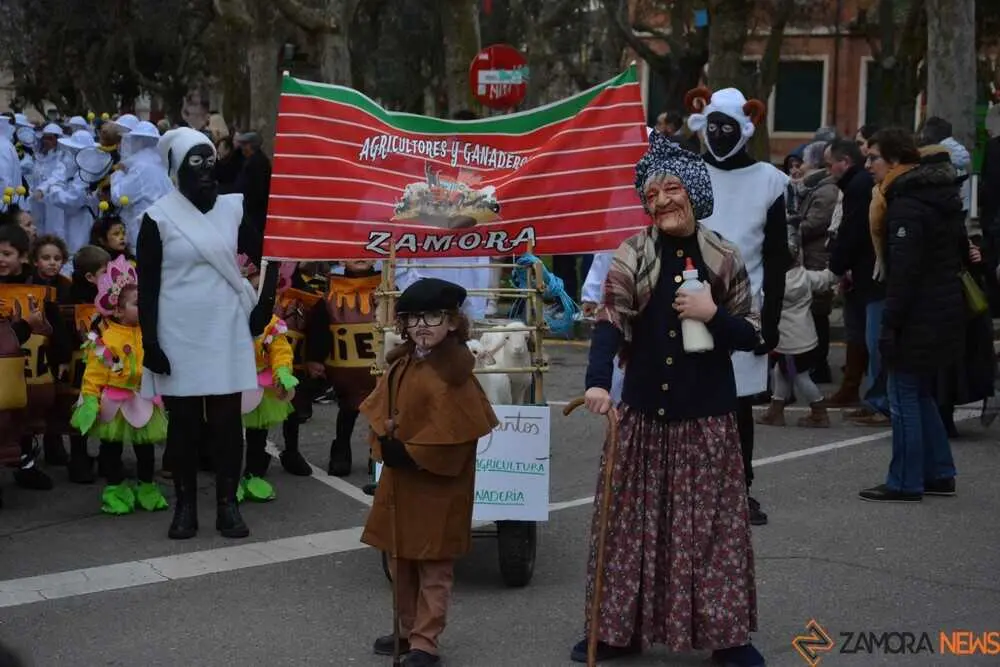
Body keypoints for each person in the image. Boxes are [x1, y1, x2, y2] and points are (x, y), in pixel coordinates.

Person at [576, 131, 763, 666]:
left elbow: (752, 334)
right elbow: (610, 320)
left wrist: (713, 316)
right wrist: (595, 381)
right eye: (651, 195)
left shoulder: (723, 255)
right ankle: (615, 632)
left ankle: (728, 638)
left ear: (695, 193)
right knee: (627, 530)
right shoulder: (633, 253)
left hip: (705, 417)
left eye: (672, 189)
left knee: (712, 533)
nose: (661, 202)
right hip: (643, 417)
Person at [137, 127, 274, 540]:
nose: (206, 172)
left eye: (211, 162)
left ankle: (227, 506)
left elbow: (270, 251)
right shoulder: (157, 217)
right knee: (183, 425)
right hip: (175, 329)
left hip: (225, 325)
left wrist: (263, 307)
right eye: (195, 164)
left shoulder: (234, 208)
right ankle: (185, 506)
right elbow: (148, 286)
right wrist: (150, 341)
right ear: (177, 171)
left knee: (227, 421)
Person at [361, 277, 498, 667]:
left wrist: (412, 453)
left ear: (452, 322)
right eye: (413, 318)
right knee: (399, 559)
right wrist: (384, 442)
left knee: (434, 566)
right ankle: (405, 629)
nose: (422, 326)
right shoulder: (402, 363)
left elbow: (459, 434)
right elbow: (379, 410)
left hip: (438, 486)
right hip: (401, 482)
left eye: (433, 316)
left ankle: (425, 641)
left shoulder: (455, 374)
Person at [685, 87, 791, 526]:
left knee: (738, 406)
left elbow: (778, 257)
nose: (720, 136)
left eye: (728, 129)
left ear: (745, 129)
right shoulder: (688, 173)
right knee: (688, 403)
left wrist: (770, 322)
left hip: (746, 308)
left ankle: (738, 489)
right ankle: (691, 491)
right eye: (714, 128)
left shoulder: (770, 180)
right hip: (688, 301)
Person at [858, 128, 965, 503]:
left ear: (895, 161)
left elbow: (904, 273)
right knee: (919, 394)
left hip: (919, 312)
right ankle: (939, 470)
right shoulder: (938, 196)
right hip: (942, 308)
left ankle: (905, 479)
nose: (868, 164)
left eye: (874, 158)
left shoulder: (905, 204)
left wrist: (892, 323)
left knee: (903, 395)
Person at [70, 255, 169, 514]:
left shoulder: (152, 332)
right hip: (115, 401)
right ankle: (114, 489)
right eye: (138, 303)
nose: (144, 306)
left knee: (145, 448)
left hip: (144, 398)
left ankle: (147, 486)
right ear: (117, 310)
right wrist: (90, 398)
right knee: (111, 448)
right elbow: (94, 372)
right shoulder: (107, 338)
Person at [306, 259, 381, 476]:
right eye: (353, 252)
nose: (360, 257)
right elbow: (319, 328)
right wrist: (315, 358)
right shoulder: (329, 292)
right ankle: (340, 450)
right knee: (347, 411)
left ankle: (377, 454)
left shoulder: (387, 290)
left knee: (380, 412)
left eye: (366, 251)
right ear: (341, 258)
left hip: (377, 369)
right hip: (344, 371)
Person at [756, 224, 837, 427]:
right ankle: (776, 410)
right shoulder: (805, 277)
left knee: (799, 378)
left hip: (788, 343)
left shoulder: (773, 285)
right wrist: (838, 267)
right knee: (782, 373)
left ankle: (819, 412)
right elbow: (826, 279)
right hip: (805, 339)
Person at [238, 257, 299, 502]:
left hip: (259, 386)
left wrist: (282, 372)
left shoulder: (272, 324)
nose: (255, 296)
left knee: (257, 435)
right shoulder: (228, 320)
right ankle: (229, 477)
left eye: (261, 291)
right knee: (226, 434)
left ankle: (253, 475)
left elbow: (281, 351)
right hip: (232, 383)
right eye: (251, 289)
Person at [792, 141, 838, 384]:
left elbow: (814, 223)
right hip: (812, 257)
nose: (801, 165)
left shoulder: (826, 190)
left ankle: (819, 365)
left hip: (817, 259)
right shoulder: (817, 188)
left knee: (818, 314)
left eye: (805, 160)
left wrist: (790, 229)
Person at [110, 121, 173, 252]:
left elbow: (119, 196)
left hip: (140, 232)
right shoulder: (160, 163)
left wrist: (118, 174)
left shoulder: (140, 167)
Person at [227, 131, 272, 263]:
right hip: (248, 211)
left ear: (250, 146)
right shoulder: (249, 160)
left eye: (243, 145)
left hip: (254, 213)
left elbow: (257, 190)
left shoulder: (258, 162)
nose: (241, 148)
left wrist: (246, 206)